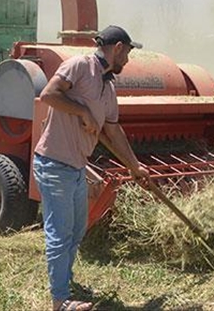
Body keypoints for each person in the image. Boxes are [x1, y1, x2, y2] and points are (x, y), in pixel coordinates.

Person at [33, 25, 152, 311]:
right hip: (54, 163)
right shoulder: (79, 66)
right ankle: (59, 301)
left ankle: (64, 282)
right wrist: (83, 111)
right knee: (60, 233)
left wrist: (135, 167)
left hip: (76, 166)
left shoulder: (108, 87)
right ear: (118, 48)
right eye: (128, 53)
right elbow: (49, 95)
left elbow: (114, 132)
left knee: (76, 231)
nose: (128, 61)